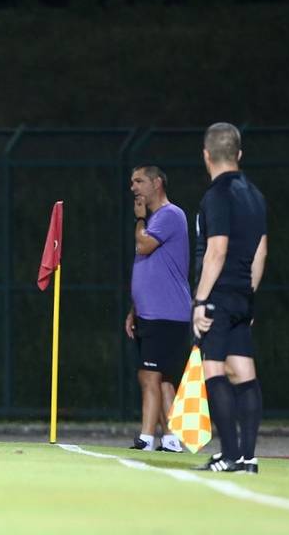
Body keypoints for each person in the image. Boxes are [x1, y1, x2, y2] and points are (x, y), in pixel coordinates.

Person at [191, 123, 267, 474]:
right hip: (242, 295)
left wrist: (200, 301)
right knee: (244, 371)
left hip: (219, 294)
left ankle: (230, 455)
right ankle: (248, 459)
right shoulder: (254, 195)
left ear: (206, 155)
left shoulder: (217, 195)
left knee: (214, 370)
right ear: (239, 155)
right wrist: (247, 295)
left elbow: (216, 251)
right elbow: (261, 252)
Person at [124, 165, 191, 452]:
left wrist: (139, 220)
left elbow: (143, 247)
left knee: (148, 375)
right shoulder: (157, 220)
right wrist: (134, 308)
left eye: (139, 181)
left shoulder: (169, 215)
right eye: (131, 182)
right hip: (152, 312)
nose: (133, 187)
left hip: (166, 313)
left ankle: (147, 438)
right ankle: (173, 438)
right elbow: (150, 270)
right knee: (162, 378)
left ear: (157, 183)